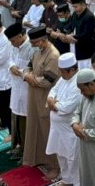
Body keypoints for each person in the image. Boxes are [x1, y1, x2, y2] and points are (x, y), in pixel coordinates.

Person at [22, 25, 60, 170]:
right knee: (35, 128)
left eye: (34, 43)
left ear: (43, 40)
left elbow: (46, 82)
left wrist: (30, 78)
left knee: (48, 132)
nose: (32, 46)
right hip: (34, 97)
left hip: (46, 98)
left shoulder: (53, 56)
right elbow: (27, 68)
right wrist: (27, 75)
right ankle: (39, 159)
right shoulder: (37, 52)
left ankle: (55, 166)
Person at [47, 52, 81, 186]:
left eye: (62, 71)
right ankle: (67, 180)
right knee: (61, 155)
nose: (60, 74)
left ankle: (78, 182)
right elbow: (52, 91)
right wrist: (51, 100)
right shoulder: (64, 78)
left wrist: (53, 104)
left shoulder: (78, 83)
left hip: (69, 129)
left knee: (73, 158)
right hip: (57, 128)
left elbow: (67, 108)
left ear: (72, 70)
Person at [6, 22, 33, 152]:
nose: (11, 44)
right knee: (16, 116)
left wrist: (20, 72)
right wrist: (11, 66)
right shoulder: (14, 46)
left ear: (21, 36)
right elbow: (10, 59)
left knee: (25, 120)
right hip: (16, 88)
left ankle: (27, 149)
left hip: (27, 90)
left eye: (13, 40)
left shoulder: (31, 47)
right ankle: (19, 145)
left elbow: (33, 70)